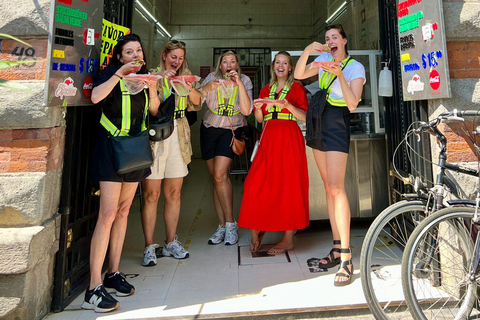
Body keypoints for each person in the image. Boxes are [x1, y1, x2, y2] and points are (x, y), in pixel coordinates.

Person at [84, 34, 160, 312]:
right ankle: (93, 287)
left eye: (138, 51)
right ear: (119, 56)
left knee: (125, 210)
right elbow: (95, 98)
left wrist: (152, 87)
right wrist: (119, 74)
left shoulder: (145, 77)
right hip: (110, 148)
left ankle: (113, 272)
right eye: (129, 52)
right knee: (107, 214)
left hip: (135, 150)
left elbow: (153, 110)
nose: (135, 56)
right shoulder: (109, 75)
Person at [294, 25, 365, 286]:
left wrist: (340, 75)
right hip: (317, 121)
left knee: (337, 186)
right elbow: (300, 74)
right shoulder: (323, 59)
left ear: (344, 41)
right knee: (327, 186)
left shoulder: (355, 67)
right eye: (327, 39)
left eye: (334, 37)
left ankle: (346, 257)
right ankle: (336, 247)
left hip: (337, 122)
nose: (330, 41)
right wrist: (307, 51)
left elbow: (353, 103)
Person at [238, 51, 309, 254]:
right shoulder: (265, 89)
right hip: (268, 140)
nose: (281, 66)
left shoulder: (296, 88)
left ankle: (288, 238)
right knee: (255, 183)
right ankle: (255, 230)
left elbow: (304, 116)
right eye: (278, 62)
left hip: (289, 139)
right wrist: (259, 108)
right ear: (273, 66)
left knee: (289, 185)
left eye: (285, 63)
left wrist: (288, 105)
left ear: (290, 68)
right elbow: (260, 120)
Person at [141, 40, 202, 266]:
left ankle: (170, 242)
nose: (177, 62)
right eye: (173, 57)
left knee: (174, 193)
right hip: (156, 137)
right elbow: (153, 110)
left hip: (179, 134)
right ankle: (149, 246)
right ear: (165, 55)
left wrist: (185, 86)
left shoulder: (186, 77)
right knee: (151, 195)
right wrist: (162, 82)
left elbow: (196, 103)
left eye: (180, 58)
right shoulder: (153, 76)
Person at [199, 50, 253, 245]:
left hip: (231, 130)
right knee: (216, 179)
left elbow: (247, 110)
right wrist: (205, 88)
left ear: (237, 65)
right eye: (225, 62)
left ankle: (231, 224)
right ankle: (221, 226)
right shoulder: (211, 78)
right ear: (219, 65)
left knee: (221, 175)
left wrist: (238, 83)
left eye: (232, 61)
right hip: (209, 129)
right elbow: (195, 104)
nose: (229, 65)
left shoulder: (245, 80)